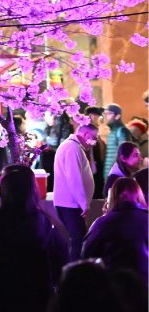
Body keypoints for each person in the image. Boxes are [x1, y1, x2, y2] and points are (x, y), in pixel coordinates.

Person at [0, 164, 68, 312]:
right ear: (32, 192)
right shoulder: (43, 222)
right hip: (36, 294)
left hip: (2, 294)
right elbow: (61, 254)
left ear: (4, 192)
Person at [81, 176, 148, 281]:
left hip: (113, 286)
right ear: (138, 195)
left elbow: (86, 254)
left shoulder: (102, 223)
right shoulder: (146, 219)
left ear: (113, 197)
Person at [53, 122, 98, 261]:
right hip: (71, 204)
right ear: (86, 134)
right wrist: (84, 203)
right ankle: (74, 275)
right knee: (78, 241)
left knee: (79, 240)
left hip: (72, 203)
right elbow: (74, 178)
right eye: (94, 138)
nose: (95, 142)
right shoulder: (72, 148)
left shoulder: (73, 147)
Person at [103, 104, 132, 177]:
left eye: (109, 113)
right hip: (110, 176)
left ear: (117, 116)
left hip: (118, 176)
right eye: (105, 114)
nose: (106, 116)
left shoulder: (121, 131)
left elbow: (123, 155)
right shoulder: (112, 132)